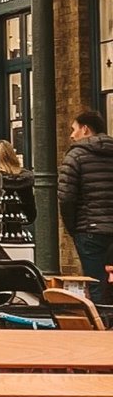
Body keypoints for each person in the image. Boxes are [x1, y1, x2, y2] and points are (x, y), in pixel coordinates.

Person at [61, 109, 113, 305]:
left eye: (74, 129)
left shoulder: (76, 156)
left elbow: (66, 198)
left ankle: (102, 324)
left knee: (95, 282)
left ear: (85, 129)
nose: (72, 135)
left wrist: (73, 228)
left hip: (89, 228)